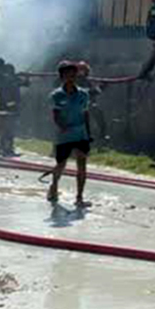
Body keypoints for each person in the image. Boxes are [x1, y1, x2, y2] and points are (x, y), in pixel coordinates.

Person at [47, 60, 91, 206]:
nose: (71, 77)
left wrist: (88, 133)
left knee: (82, 163)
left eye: (73, 74)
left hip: (81, 134)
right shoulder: (57, 95)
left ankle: (79, 197)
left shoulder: (83, 95)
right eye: (67, 75)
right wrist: (62, 127)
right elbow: (55, 115)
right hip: (64, 135)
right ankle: (53, 187)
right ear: (61, 77)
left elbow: (86, 114)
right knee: (61, 164)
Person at [75, 61, 107, 149]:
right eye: (80, 70)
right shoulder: (75, 81)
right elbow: (86, 92)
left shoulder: (86, 81)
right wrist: (99, 88)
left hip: (89, 105)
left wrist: (101, 87)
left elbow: (92, 92)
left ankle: (102, 141)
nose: (82, 72)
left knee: (100, 120)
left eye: (84, 70)